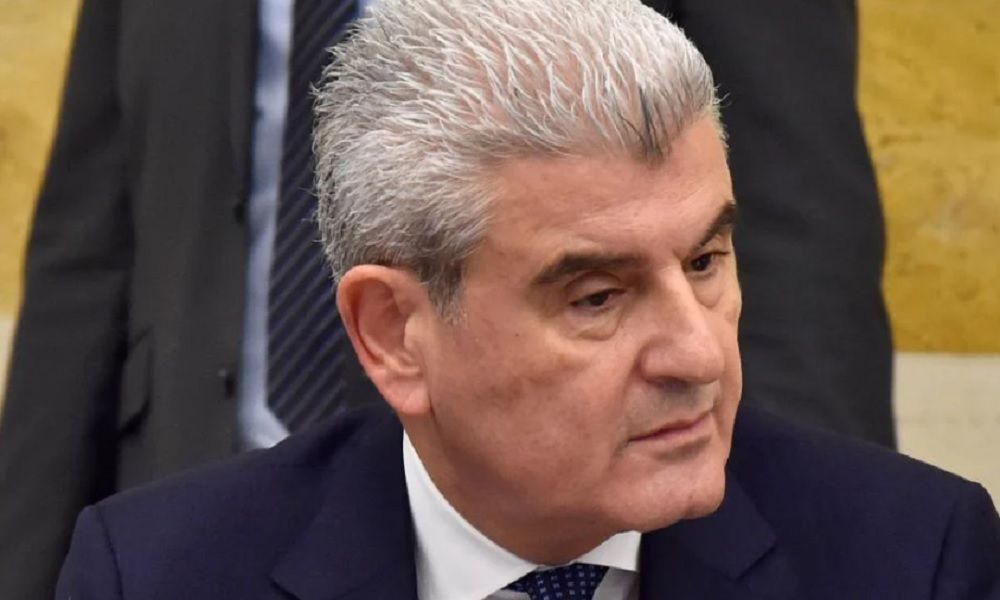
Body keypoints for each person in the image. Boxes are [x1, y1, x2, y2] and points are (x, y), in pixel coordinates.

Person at [56, 1, 1000, 598]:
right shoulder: (154, 573)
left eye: (707, 261)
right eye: (597, 298)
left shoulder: (916, 561)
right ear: (393, 334)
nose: (700, 354)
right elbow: (84, 248)